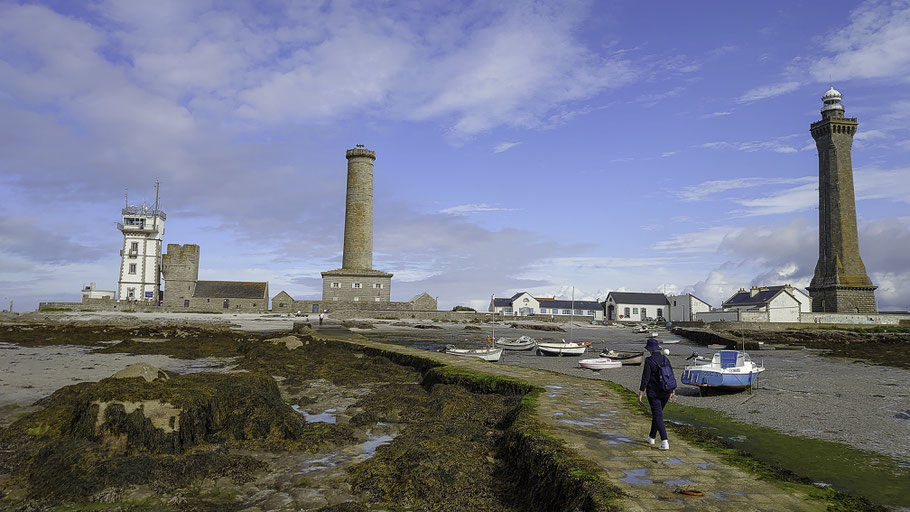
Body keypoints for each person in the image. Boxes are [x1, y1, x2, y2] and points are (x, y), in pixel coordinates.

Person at [638, 338, 675, 450]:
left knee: (658, 415)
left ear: (649, 349)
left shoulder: (649, 361)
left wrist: (640, 392)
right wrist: (673, 390)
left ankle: (664, 441)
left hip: (654, 393)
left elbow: (645, 378)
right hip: (666, 391)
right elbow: (671, 375)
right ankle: (651, 437)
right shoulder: (665, 359)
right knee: (657, 414)